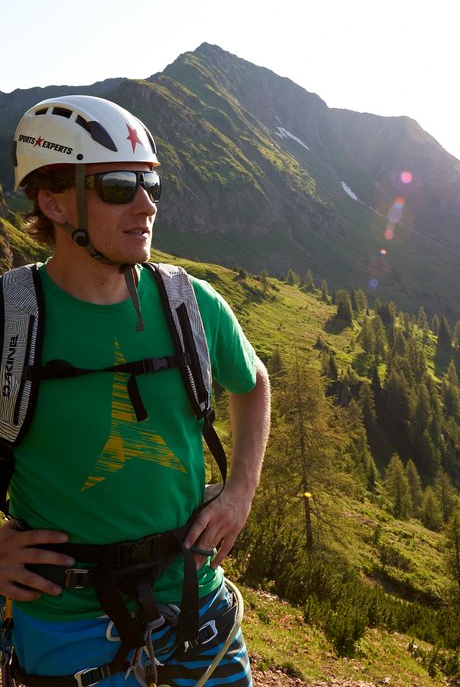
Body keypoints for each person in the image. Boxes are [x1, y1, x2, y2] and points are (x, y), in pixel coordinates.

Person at [0, 95, 270, 686]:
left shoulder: (192, 304)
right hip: (68, 625)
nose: (147, 205)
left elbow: (253, 383)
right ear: (51, 201)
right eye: (119, 186)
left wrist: (241, 491)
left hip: (199, 604)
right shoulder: (11, 319)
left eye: (149, 182)